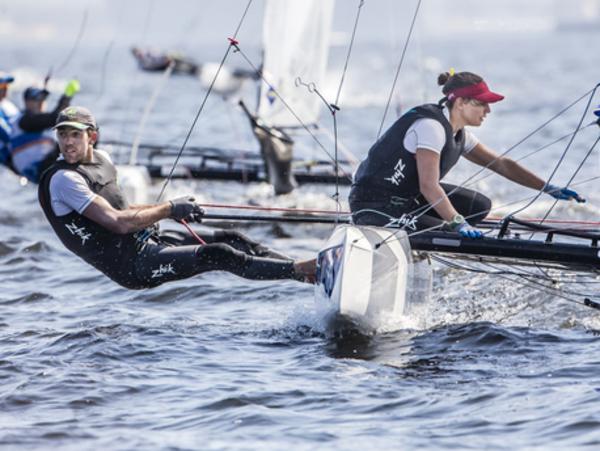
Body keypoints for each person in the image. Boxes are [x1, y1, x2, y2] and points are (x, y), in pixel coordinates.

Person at [38, 106, 316, 289]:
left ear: (92, 137)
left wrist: (173, 209)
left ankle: (303, 273)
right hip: (133, 266)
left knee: (234, 238)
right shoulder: (64, 179)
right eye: (63, 135)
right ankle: (300, 270)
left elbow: (124, 208)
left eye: (75, 134)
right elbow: (117, 222)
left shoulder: (103, 160)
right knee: (219, 254)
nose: (68, 142)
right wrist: (170, 208)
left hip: (148, 240)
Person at [348, 70, 585, 238]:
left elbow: (501, 164)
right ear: (461, 102)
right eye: (482, 103)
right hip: (374, 205)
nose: (488, 110)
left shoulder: (458, 133)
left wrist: (546, 187)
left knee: (478, 205)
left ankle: (420, 232)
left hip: (407, 200)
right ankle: (412, 239)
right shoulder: (430, 127)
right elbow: (429, 187)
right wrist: (456, 223)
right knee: (451, 234)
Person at [4, 80, 79, 183]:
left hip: (47, 167)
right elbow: (55, 118)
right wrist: (67, 95)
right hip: (39, 170)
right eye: (36, 99)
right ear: (27, 102)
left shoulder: (40, 121)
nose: (40, 102)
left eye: (43, 99)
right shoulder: (24, 121)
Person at [0, 72, 18, 168]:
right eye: (2, 86)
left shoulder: (8, 105)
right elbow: (6, 134)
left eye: (6, 85)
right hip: (6, 156)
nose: (6, 89)